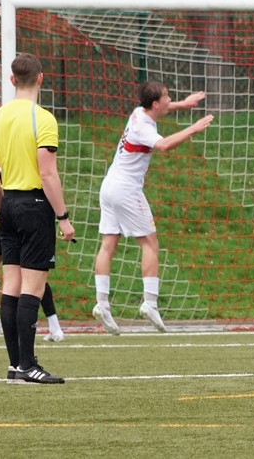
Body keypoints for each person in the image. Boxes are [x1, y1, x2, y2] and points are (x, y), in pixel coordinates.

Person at [92, 81, 214, 334]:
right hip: (126, 190)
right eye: (167, 97)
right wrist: (193, 128)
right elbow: (164, 145)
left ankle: (102, 304)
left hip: (109, 185)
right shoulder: (144, 128)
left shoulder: (139, 111)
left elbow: (164, 108)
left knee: (108, 245)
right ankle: (150, 303)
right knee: (150, 244)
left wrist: (185, 104)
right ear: (156, 103)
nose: (170, 99)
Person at [0, 53, 75, 384]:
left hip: (8, 203)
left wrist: (4, 208)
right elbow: (47, 174)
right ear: (40, 79)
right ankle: (28, 365)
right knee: (32, 289)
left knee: (11, 286)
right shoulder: (43, 119)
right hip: (35, 205)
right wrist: (63, 217)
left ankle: (15, 366)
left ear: (12, 80)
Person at [0, 175, 65, 341]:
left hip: (13, 216)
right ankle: (55, 326)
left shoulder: (6, 162)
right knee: (34, 272)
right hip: (36, 213)